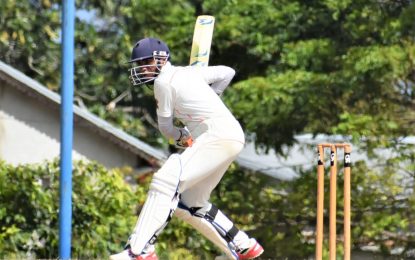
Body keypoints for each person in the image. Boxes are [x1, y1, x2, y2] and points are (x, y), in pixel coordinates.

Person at [110, 37, 264, 260]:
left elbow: (166, 129)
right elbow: (227, 72)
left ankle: (138, 250)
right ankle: (243, 245)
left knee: (166, 179)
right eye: (139, 65)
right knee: (190, 203)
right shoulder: (191, 74)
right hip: (229, 136)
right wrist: (211, 95)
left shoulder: (163, 83)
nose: (141, 70)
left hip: (216, 135)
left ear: (160, 59)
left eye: (145, 63)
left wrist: (183, 136)